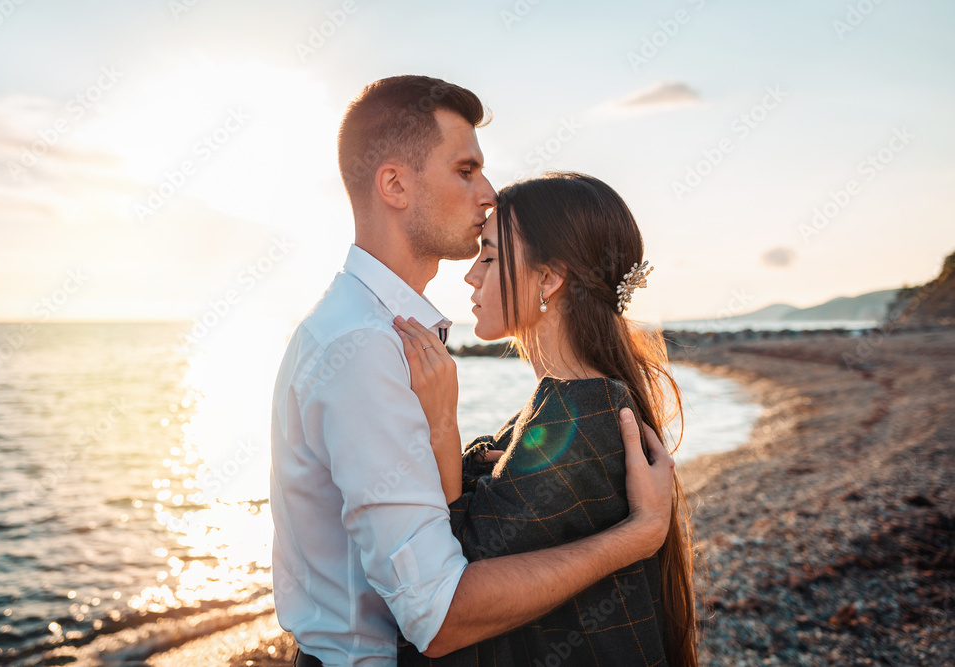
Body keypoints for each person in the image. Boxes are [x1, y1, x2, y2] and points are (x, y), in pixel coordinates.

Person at [269, 75, 676, 666]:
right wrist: (638, 537)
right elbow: (438, 613)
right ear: (394, 185)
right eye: (465, 170)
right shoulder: (362, 345)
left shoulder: (373, 331)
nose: (487, 193)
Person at [392, 172, 700, 666]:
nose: (471, 275)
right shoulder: (571, 403)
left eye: (489, 257)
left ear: (549, 279)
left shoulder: (579, 411)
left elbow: (448, 597)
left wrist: (442, 425)